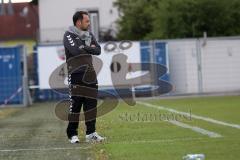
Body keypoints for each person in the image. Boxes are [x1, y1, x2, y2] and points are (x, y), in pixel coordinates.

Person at [63, 11, 105, 144]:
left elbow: (98, 50)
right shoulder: (68, 34)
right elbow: (76, 50)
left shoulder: (89, 34)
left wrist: (84, 46)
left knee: (91, 105)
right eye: (87, 21)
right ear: (78, 22)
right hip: (76, 74)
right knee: (75, 105)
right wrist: (88, 47)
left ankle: (91, 133)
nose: (89, 23)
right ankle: (72, 134)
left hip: (90, 74)